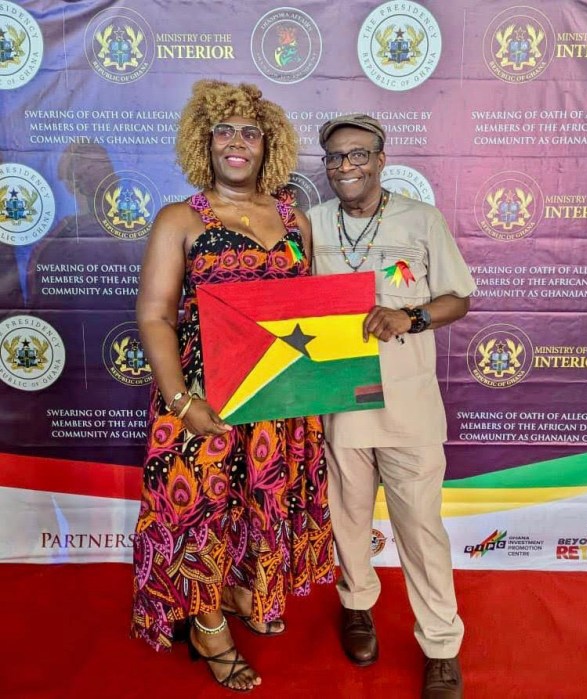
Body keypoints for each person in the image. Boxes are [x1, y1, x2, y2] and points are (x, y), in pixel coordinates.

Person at [131, 80, 334, 692]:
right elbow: (154, 315)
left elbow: (316, 314)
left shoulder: (295, 217)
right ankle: (207, 626)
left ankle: (245, 588)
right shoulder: (181, 218)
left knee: (258, 503)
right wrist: (182, 399)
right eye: (225, 131)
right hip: (204, 394)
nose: (237, 142)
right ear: (205, 142)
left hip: (280, 398)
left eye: (250, 131)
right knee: (201, 508)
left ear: (267, 144)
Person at [308, 113, 476, 698]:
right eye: (334, 157)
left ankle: (440, 643)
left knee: (421, 530)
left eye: (358, 154)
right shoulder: (310, 224)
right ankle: (356, 606)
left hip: (409, 407)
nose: (346, 166)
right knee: (347, 519)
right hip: (340, 404)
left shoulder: (421, 219)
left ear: (381, 159)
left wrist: (413, 316)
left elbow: (459, 297)